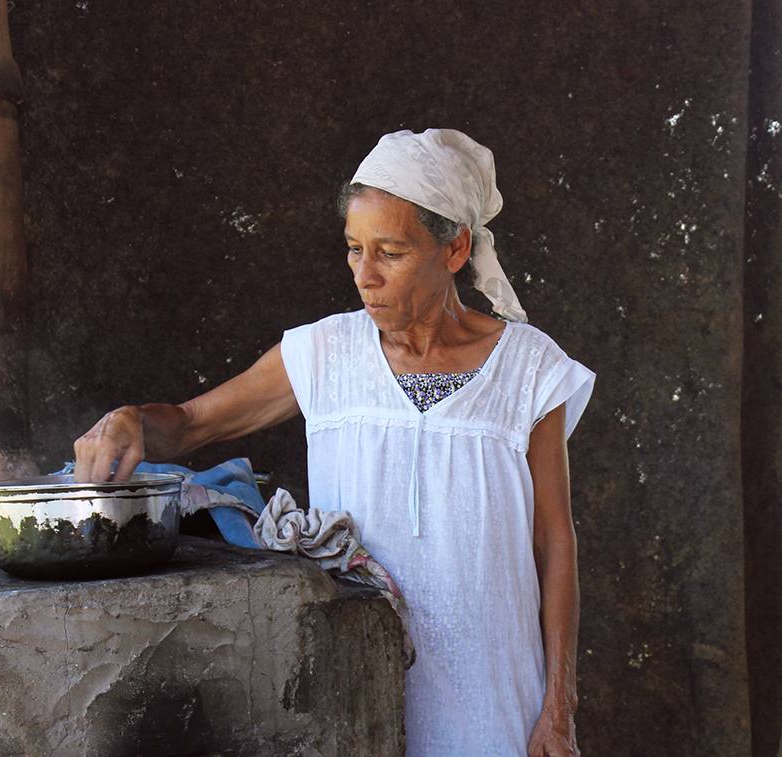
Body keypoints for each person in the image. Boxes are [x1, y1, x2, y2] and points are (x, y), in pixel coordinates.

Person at [74, 128, 594, 756]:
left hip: (496, 700)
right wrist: (130, 419)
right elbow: (189, 422)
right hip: (355, 694)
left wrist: (557, 707)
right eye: (353, 249)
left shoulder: (530, 369)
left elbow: (554, 539)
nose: (365, 276)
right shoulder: (324, 354)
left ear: (454, 247)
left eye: (391, 253)